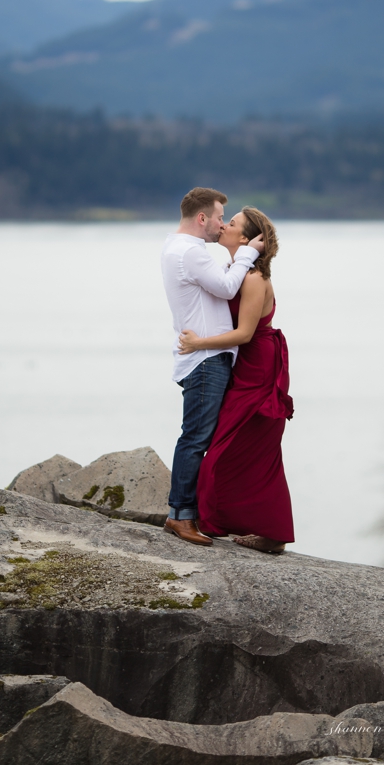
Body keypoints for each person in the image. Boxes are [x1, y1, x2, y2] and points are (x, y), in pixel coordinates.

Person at [179, 205, 296, 554]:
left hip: (257, 367)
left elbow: (245, 333)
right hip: (243, 366)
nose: (223, 225)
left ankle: (270, 532)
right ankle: (263, 529)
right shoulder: (236, 270)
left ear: (245, 238)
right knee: (238, 450)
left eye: (231, 223)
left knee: (232, 451)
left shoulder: (254, 278)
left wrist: (198, 343)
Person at [159, 187, 264, 547]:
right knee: (196, 439)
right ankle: (181, 516)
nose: (222, 224)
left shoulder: (177, 247)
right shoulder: (190, 252)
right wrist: (249, 252)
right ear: (202, 217)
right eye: (220, 216)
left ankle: (189, 512)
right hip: (205, 360)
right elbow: (227, 287)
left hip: (202, 358)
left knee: (197, 437)